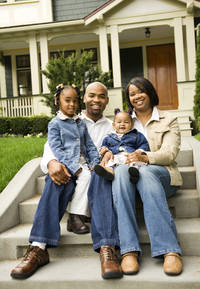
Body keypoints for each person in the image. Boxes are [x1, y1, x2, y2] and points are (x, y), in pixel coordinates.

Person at [11, 82, 122, 280]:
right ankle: (38, 247)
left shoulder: (114, 126)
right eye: (91, 95)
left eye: (102, 96)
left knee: (102, 174)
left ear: (106, 101)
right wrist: (52, 162)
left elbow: (123, 148)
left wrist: (107, 158)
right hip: (71, 170)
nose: (96, 100)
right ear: (85, 99)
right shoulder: (67, 121)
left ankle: (107, 247)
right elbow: (51, 148)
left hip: (94, 174)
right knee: (56, 179)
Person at [111, 77, 183, 276]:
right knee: (121, 172)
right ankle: (129, 250)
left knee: (146, 172)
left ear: (150, 92)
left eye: (140, 91)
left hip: (163, 176)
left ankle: (169, 249)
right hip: (129, 179)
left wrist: (145, 157)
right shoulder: (124, 120)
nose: (137, 96)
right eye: (132, 94)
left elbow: (170, 153)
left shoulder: (169, 119)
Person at [49, 83, 100, 234]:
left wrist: (95, 162)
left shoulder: (80, 122)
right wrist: (73, 166)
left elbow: (90, 146)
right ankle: (74, 216)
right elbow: (57, 149)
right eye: (67, 100)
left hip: (84, 161)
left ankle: (87, 214)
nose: (72, 104)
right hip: (68, 163)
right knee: (85, 176)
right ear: (58, 101)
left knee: (94, 175)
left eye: (75, 100)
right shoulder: (55, 124)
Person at [94, 108, 149, 183]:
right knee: (111, 160)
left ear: (132, 125)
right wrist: (103, 149)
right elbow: (104, 145)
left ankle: (134, 171)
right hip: (116, 155)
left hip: (130, 155)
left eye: (126, 122)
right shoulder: (110, 137)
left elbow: (144, 144)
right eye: (119, 122)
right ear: (113, 125)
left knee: (136, 161)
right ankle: (109, 171)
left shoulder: (136, 135)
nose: (122, 124)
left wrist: (139, 151)